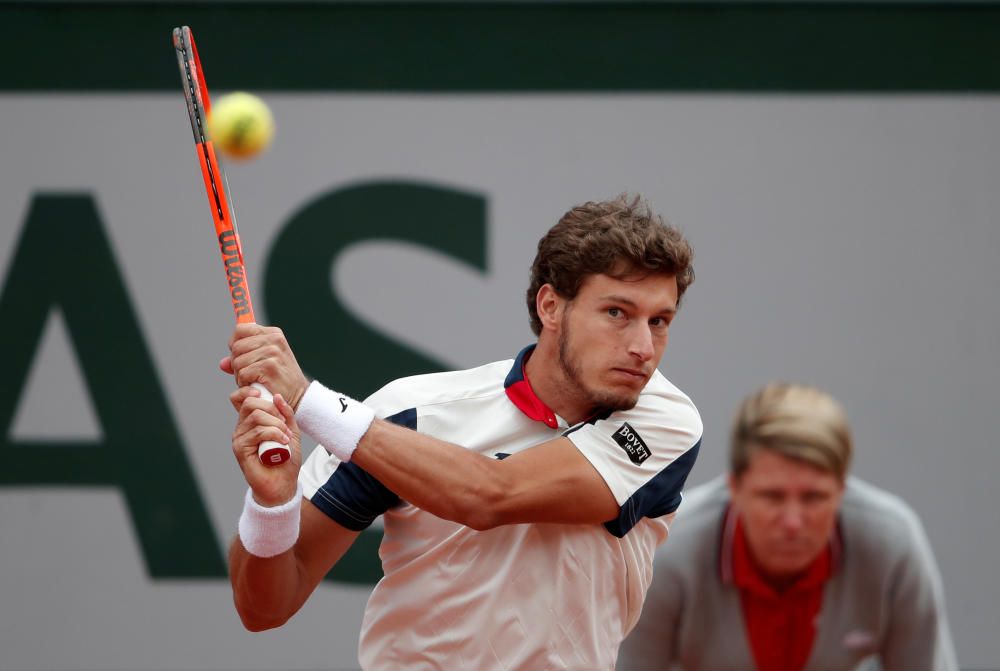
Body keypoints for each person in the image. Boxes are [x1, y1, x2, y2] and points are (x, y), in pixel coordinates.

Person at [222, 194, 703, 670]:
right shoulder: (407, 415)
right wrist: (272, 505)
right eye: (617, 313)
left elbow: (492, 494)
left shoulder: (664, 419)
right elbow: (263, 609)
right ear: (551, 307)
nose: (643, 347)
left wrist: (307, 401)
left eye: (659, 321)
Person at [618, 382, 958, 671]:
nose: (793, 522)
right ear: (734, 487)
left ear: (842, 490)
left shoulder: (891, 542)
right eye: (772, 496)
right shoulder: (668, 549)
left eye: (813, 497)